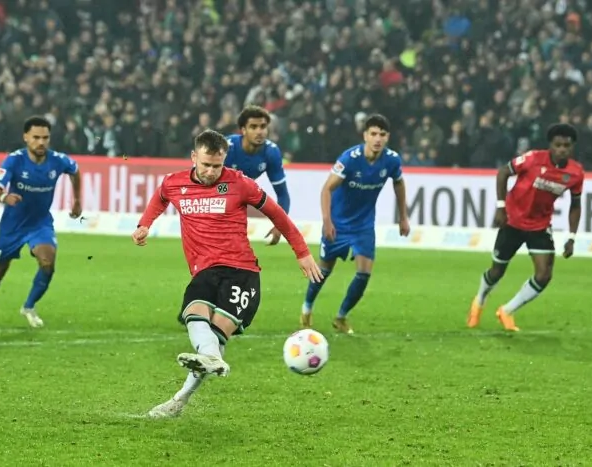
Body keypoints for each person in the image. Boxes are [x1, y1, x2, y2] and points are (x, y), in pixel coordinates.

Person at [131, 129, 322, 418]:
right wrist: (144, 224)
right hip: (205, 271)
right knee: (194, 316)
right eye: (206, 165)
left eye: (217, 166)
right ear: (193, 157)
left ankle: (182, 396)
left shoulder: (240, 183)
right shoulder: (174, 183)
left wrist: (302, 252)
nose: (211, 172)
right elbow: (160, 198)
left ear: (224, 160)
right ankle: (187, 390)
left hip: (242, 272)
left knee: (215, 338)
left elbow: (277, 214)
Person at [299, 114, 410, 334]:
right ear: (365, 136)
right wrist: (327, 221)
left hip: (363, 225)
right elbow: (326, 189)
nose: (378, 139)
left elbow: (399, 183)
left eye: (382, 134)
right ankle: (307, 308)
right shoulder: (350, 159)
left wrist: (403, 216)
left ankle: (341, 317)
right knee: (324, 270)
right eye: (373, 134)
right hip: (338, 223)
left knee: (364, 273)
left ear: (387, 137)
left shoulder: (392, 160)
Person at [467, 123, 584, 331]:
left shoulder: (575, 173)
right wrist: (501, 207)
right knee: (497, 272)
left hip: (539, 226)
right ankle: (480, 300)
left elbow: (575, 205)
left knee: (544, 274)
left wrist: (572, 237)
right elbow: (503, 172)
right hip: (512, 221)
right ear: (550, 145)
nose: (562, 150)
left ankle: (506, 311)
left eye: (566, 146)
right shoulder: (532, 158)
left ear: (572, 147)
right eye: (558, 145)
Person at [0, 116, 82, 328]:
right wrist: (5, 197)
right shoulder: (14, 160)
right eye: (36, 137)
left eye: (45, 138)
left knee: (48, 262)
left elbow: (75, 171)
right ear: (26, 137)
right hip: (13, 225)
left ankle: (29, 306)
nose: (41, 142)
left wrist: (77, 199)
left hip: (40, 223)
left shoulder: (58, 160)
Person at [224, 105, 290, 245]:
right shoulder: (226, 148)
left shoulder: (271, 152)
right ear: (243, 130)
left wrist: (280, 225)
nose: (259, 132)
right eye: (253, 127)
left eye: (263, 127)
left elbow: (283, 194)